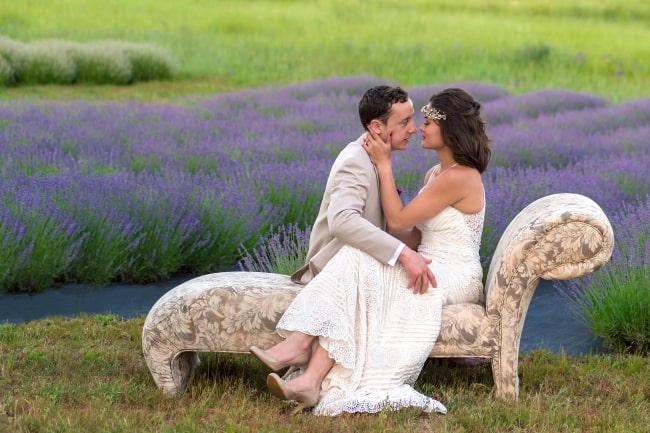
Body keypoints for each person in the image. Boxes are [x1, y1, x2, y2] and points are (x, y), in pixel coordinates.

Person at [251, 87, 491, 416]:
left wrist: (384, 165)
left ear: (449, 129)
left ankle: (298, 345)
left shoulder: (461, 177)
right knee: (361, 260)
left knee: (362, 261)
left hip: (455, 274)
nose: (418, 128)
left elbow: (396, 220)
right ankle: (309, 378)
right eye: (411, 121)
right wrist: (394, 255)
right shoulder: (436, 173)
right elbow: (411, 234)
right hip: (430, 260)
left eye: (426, 121)